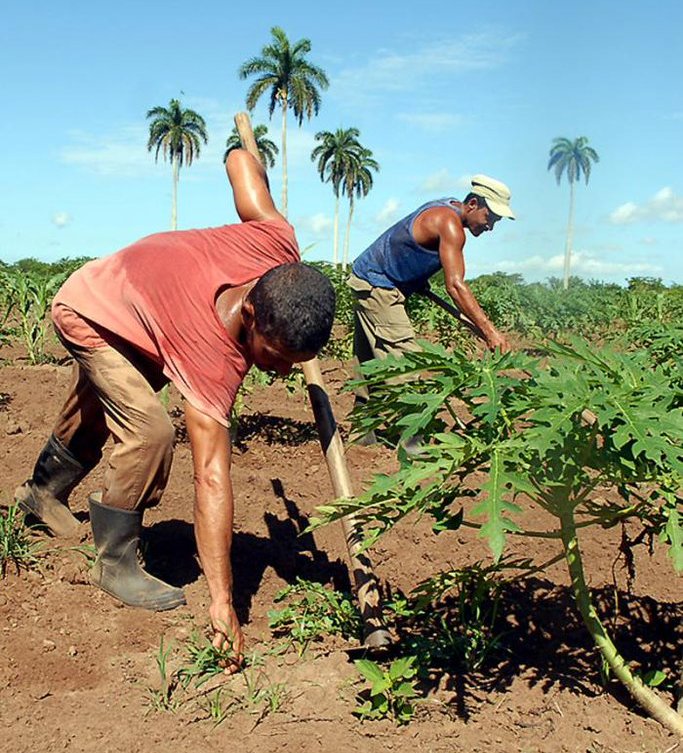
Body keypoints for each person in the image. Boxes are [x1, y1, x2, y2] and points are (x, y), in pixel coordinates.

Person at [14, 148, 335, 672]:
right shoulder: (211, 356)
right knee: (150, 432)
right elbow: (211, 478)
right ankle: (114, 561)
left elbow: (241, 170)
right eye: (274, 357)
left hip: (136, 301)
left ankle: (40, 494)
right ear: (250, 314)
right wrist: (222, 602)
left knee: (98, 407)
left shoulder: (278, 241)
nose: (280, 374)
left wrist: (239, 154)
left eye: (295, 362)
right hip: (90, 309)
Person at [347, 174, 515, 445]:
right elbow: (456, 286)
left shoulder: (445, 208)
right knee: (405, 362)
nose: (490, 226)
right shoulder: (449, 224)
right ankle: (412, 441)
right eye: (490, 217)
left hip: (370, 277)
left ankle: (362, 434)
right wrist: (491, 332)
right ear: (472, 203)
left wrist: (416, 277)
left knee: (372, 363)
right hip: (379, 285)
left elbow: (408, 246)